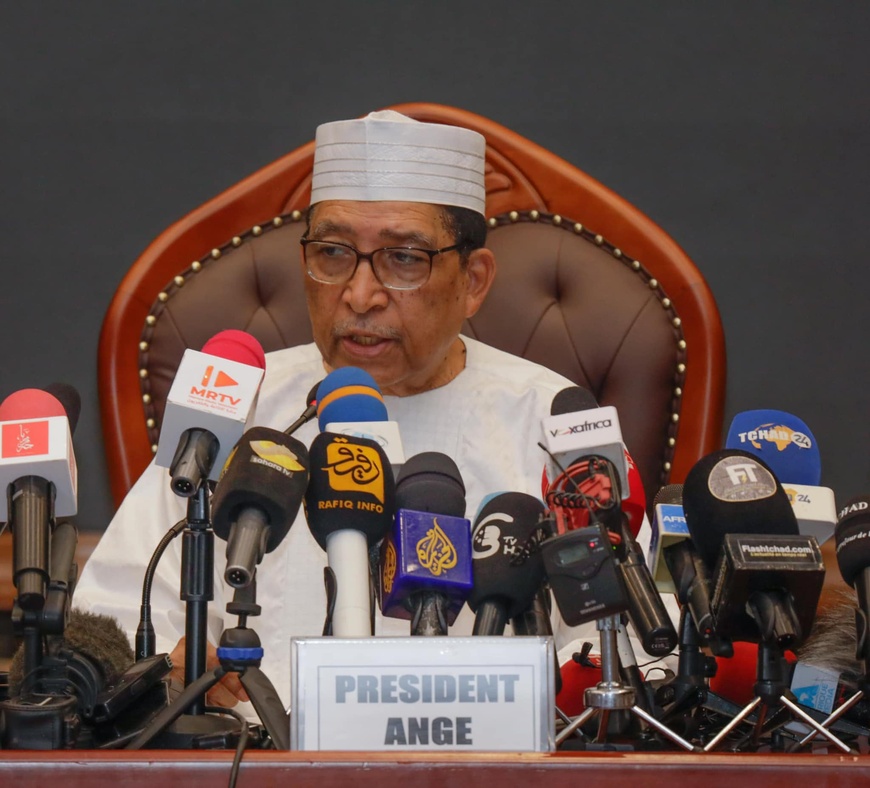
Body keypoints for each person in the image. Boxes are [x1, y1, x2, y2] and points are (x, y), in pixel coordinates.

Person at [75, 110, 673, 712]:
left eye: (405, 260)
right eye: (333, 253)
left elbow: (625, 652)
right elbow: (110, 620)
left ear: (474, 281)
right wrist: (164, 671)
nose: (360, 295)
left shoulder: (551, 426)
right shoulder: (235, 410)